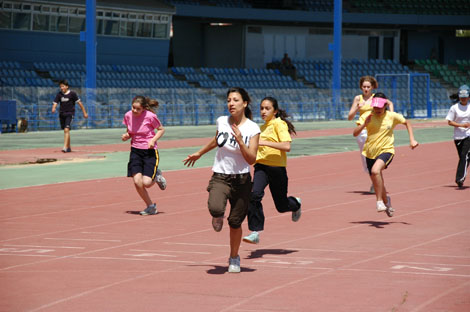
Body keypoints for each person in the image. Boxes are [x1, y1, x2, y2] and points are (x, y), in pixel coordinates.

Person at [183, 87, 260, 273]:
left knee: (235, 222)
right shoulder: (221, 121)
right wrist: (199, 153)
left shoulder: (253, 128)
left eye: (235, 100)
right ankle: (217, 215)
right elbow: (217, 140)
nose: (231, 104)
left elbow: (252, 159)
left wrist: (241, 141)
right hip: (221, 176)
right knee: (216, 208)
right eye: (228, 100)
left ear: (245, 103)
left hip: (242, 180)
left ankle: (234, 257)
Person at [243, 97, 301, 245]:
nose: (263, 111)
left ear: (274, 111)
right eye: (261, 108)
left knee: (281, 207)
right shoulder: (259, 128)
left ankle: (295, 204)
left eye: (267, 108)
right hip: (261, 167)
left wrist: (263, 142)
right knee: (254, 195)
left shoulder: (279, 124)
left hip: (277, 169)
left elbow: (287, 146)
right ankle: (255, 232)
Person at [353, 93, 418, 217]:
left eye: (380, 107)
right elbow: (355, 134)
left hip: (386, 150)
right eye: (375, 107)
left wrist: (412, 140)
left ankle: (379, 202)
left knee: (375, 171)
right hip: (369, 152)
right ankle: (387, 201)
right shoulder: (368, 115)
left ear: (385, 105)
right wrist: (364, 124)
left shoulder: (392, 116)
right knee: (378, 181)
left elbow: (407, 123)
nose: (377, 109)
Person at [348, 76, 394, 193]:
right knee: (367, 158)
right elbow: (350, 117)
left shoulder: (376, 98)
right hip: (363, 131)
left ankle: (377, 182)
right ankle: (375, 182)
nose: (366, 89)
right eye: (364, 87)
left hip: (376, 130)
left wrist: (391, 116)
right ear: (361, 87)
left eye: (368, 87)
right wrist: (357, 109)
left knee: (378, 156)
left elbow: (389, 103)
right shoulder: (358, 99)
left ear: (373, 87)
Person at [122, 96, 167, 216]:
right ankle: (150, 206)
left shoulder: (150, 116)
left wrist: (153, 140)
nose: (135, 111)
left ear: (143, 109)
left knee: (146, 183)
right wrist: (127, 135)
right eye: (133, 108)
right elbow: (130, 131)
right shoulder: (128, 115)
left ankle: (156, 175)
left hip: (149, 152)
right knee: (137, 182)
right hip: (135, 151)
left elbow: (161, 130)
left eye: (138, 109)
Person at [51, 79, 88, 152]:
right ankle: (69, 147)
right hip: (62, 114)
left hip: (70, 114)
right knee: (66, 131)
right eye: (60, 86)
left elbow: (80, 103)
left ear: (67, 86)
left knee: (66, 129)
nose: (61, 88)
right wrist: (53, 108)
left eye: (63, 86)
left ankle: (65, 147)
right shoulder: (59, 94)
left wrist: (84, 112)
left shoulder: (72, 94)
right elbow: (55, 102)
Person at [446, 85, 470, 189]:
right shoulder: (454, 108)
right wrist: (461, 125)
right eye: (462, 97)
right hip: (458, 137)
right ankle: (461, 176)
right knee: (463, 158)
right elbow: (450, 122)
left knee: (464, 156)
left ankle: (460, 178)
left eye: (465, 97)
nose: (463, 99)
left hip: (468, 135)